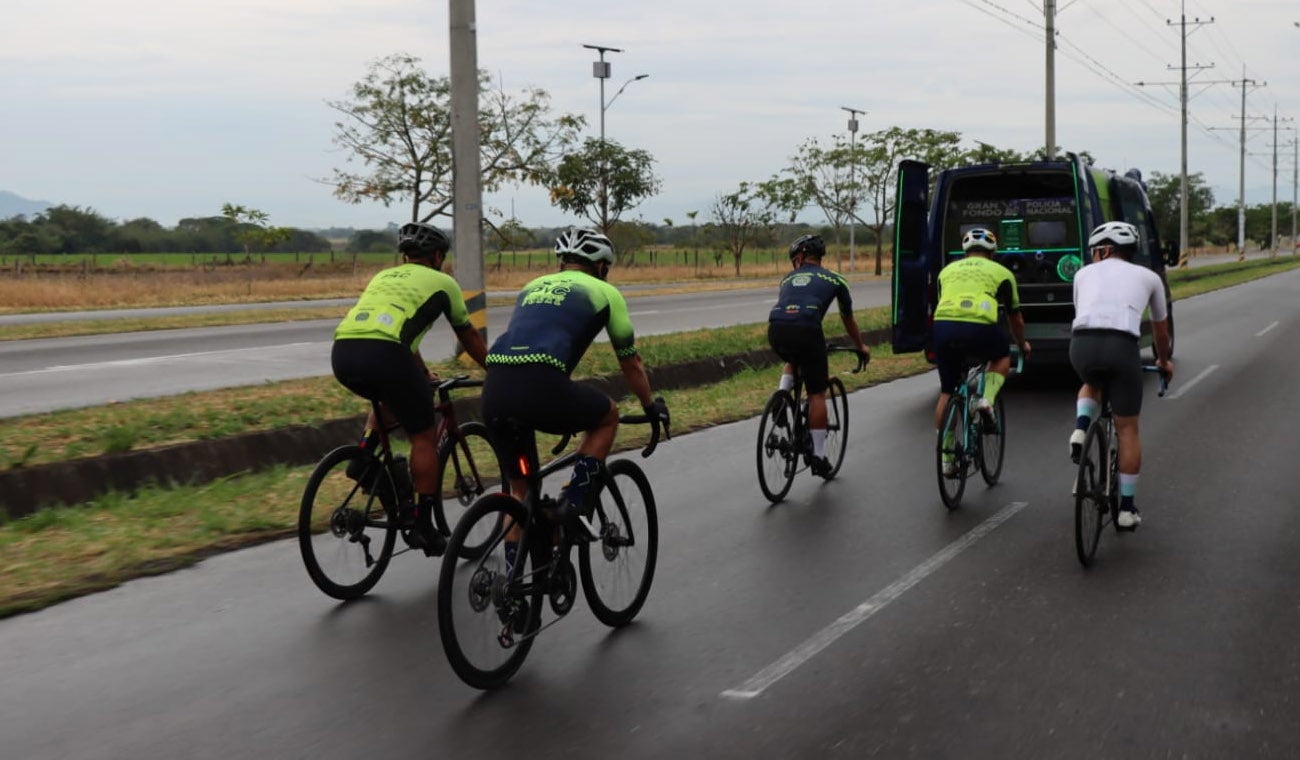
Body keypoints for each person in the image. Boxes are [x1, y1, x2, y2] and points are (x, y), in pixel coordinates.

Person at [480, 227, 669, 543]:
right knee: (607, 414)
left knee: (523, 497)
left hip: (495, 389)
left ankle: (512, 588)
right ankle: (574, 502)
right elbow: (630, 362)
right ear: (601, 267)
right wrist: (651, 407)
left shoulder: (531, 287)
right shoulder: (605, 292)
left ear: (562, 263)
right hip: (542, 387)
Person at [331, 221, 488, 556]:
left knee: (389, 395)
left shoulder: (383, 277)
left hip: (344, 353)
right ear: (435, 255)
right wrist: (496, 369)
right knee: (423, 436)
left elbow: (399, 332)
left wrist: (419, 371)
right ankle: (422, 523)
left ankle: (363, 455)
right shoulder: (444, 283)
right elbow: (469, 336)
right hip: (386, 356)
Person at [1068, 221, 1173, 530]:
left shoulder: (1082, 273)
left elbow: (1082, 312)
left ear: (1103, 249)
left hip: (1082, 345)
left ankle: (1080, 428)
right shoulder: (1150, 277)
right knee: (1127, 430)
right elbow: (1160, 330)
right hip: (1122, 346)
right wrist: (1163, 361)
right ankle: (1126, 510)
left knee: (1091, 382)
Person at [766, 234, 871, 477]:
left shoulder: (787, 278)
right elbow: (848, 318)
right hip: (807, 330)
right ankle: (819, 456)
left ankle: (782, 395)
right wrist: (861, 346)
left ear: (801, 257)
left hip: (776, 328)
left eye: (795, 259)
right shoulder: (836, 279)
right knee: (816, 394)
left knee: (793, 359)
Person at [931, 228, 1030, 477]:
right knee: (1001, 357)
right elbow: (1014, 316)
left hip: (942, 327)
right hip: (979, 327)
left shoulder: (946, 271)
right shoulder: (1002, 273)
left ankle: (945, 458)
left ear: (965, 252)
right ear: (993, 252)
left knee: (947, 390)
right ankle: (985, 400)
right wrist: (1022, 344)